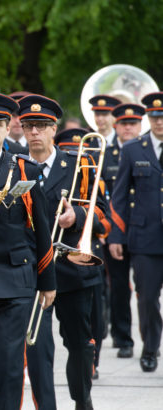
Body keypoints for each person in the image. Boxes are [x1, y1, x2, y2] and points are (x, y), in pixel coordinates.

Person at [0, 92, 56, 409]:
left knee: (9, 362)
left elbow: (41, 228)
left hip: (16, 277)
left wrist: (47, 281)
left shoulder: (25, 169)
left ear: (8, 128)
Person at [20, 94, 109, 410]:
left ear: (53, 128)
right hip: (32, 273)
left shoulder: (79, 164)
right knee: (38, 348)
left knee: (80, 346)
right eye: (29, 126)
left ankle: (82, 399)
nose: (34, 133)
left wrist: (77, 217)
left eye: (41, 126)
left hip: (73, 268)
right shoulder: (15, 167)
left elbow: (103, 216)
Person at [108, 92, 163, 373]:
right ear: (148, 119)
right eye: (154, 117)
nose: (159, 122)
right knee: (147, 298)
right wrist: (116, 236)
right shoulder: (132, 149)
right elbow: (118, 198)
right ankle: (151, 347)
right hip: (145, 239)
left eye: (162, 116)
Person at [54, 127, 111, 379]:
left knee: (89, 320)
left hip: (84, 256)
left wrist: (79, 216)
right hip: (49, 259)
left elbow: (103, 219)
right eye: (68, 151)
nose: (74, 156)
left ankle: (90, 363)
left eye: (78, 152)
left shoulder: (92, 176)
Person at [103, 103, 145, 360]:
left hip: (144, 230)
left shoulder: (150, 151)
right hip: (115, 228)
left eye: (133, 123)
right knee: (119, 286)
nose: (128, 127)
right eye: (123, 123)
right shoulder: (105, 154)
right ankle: (122, 336)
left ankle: (149, 337)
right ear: (115, 125)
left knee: (146, 288)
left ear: (141, 126)